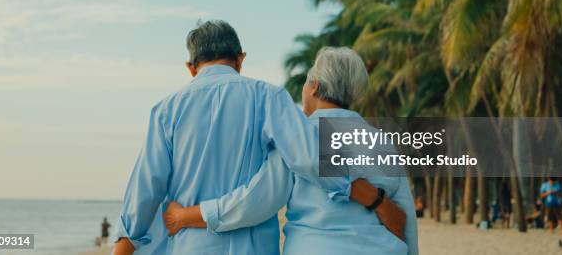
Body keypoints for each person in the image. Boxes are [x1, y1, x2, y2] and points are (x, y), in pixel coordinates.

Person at [113, 21, 406, 255]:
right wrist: (370, 197)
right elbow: (307, 157)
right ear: (240, 59)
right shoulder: (268, 96)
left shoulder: (166, 110)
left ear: (191, 67)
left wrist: (124, 245)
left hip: (191, 245)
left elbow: (146, 185)